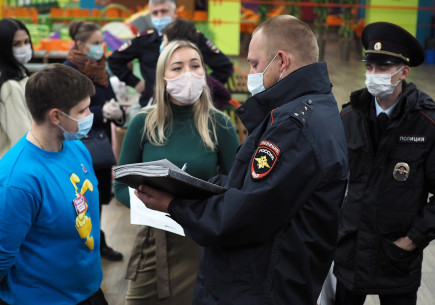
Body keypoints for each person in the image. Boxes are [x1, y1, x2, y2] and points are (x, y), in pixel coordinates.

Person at [133, 15, 349, 305]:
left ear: (281, 61)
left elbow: (245, 214)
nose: (251, 72)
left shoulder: (293, 126)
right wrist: (194, 186)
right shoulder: (306, 109)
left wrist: (174, 204)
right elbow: (248, 185)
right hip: (270, 277)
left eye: (255, 64)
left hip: (262, 286)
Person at [333, 22, 435, 305]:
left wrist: (412, 240)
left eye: (383, 68)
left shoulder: (429, 124)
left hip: (396, 258)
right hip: (351, 252)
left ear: (403, 72)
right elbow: (329, 181)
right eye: (369, 67)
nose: (373, 75)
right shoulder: (348, 118)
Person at [114, 40, 240, 304]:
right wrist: (151, 208)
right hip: (155, 241)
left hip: (202, 242)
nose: (188, 74)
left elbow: (235, 188)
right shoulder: (143, 123)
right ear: (163, 77)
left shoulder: (220, 123)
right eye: (177, 67)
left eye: (195, 66)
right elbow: (119, 186)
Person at [0, 64, 108, 305]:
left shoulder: (76, 148)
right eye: (83, 110)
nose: (91, 115)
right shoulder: (15, 181)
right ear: (56, 116)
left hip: (87, 292)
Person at [64, 19, 125, 261]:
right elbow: (68, 111)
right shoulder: (68, 70)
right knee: (77, 199)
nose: (101, 47)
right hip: (76, 144)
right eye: (96, 43)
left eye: (102, 42)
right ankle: (79, 244)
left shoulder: (101, 68)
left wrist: (118, 113)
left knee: (96, 197)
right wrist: (101, 113)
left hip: (99, 145)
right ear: (80, 44)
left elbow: (111, 100)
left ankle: (97, 241)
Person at [108, 0, 234, 107]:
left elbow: (224, 67)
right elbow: (114, 60)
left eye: (164, 11)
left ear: (174, 13)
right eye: (155, 13)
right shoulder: (144, 40)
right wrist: (136, 83)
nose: (159, 16)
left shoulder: (193, 37)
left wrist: (202, 87)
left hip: (189, 105)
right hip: (152, 103)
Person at [0, 18, 33, 174]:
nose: (24, 48)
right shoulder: (7, 87)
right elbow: (24, 137)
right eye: (16, 44)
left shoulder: (22, 76)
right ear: (3, 48)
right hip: (15, 173)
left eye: (26, 42)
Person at [162, 18, 232, 110]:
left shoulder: (204, 80)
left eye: (195, 66)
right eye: (177, 68)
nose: (163, 45)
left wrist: (203, 85)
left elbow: (224, 68)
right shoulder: (165, 82)